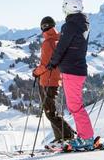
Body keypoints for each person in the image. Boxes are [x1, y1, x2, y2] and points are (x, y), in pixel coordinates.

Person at [47, 0, 99, 150]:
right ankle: (85, 136)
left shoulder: (69, 25)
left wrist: (53, 63)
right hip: (77, 68)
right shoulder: (82, 24)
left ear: (67, 7)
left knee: (75, 106)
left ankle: (86, 138)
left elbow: (62, 47)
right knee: (75, 105)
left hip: (72, 69)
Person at [32, 16, 75, 147]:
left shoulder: (47, 43)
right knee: (51, 110)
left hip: (47, 81)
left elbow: (45, 65)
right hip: (56, 79)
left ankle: (68, 135)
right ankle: (60, 137)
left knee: (50, 112)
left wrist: (35, 72)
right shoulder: (59, 40)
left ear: (42, 28)